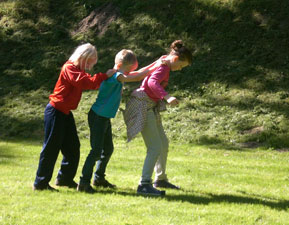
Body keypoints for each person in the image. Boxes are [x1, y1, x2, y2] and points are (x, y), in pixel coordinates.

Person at [77, 49, 162, 193]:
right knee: (96, 150)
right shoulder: (117, 76)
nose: (130, 72)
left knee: (108, 149)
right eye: (129, 69)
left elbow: (138, 72)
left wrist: (157, 62)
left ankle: (99, 178)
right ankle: (83, 183)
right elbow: (137, 77)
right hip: (98, 116)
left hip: (103, 117)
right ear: (121, 64)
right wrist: (159, 65)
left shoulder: (119, 73)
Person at [33, 43, 115, 191]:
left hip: (65, 113)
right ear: (83, 57)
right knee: (51, 148)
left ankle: (64, 179)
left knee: (72, 147)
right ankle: (40, 183)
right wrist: (104, 76)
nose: (90, 66)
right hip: (55, 111)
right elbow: (85, 83)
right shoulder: (69, 68)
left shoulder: (78, 70)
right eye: (90, 62)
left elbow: (90, 83)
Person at [124, 40, 192, 196]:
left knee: (163, 143)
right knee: (155, 147)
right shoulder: (164, 67)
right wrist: (167, 96)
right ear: (175, 59)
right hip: (143, 106)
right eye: (181, 66)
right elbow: (152, 82)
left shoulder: (164, 60)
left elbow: (145, 73)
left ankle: (160, 179)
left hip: (150, 106)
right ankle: (144, 184)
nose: (179, 69)